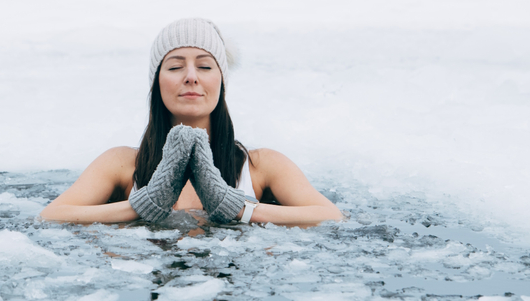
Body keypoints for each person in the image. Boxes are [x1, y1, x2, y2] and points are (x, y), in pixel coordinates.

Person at [40, 18, 343, 225]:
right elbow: (51, 215)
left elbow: (331, 217)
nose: (191, 76)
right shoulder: (122, 163)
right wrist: (142, 206)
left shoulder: (259, 165)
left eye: (204, 65)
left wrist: (239, 209)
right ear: (157, 83)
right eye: (174, 66)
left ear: (221, 81)